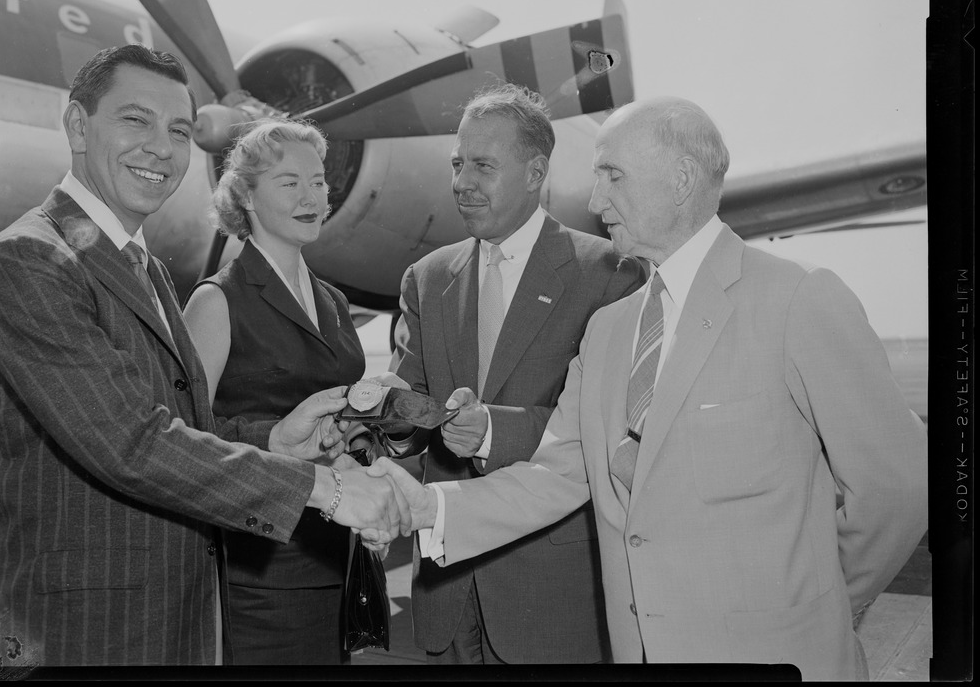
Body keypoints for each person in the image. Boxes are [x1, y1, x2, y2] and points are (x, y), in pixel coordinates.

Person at [372, 96, 929, 680]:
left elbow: (897, 488)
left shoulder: (799, 300)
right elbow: (559, 472)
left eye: (612, 175)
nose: (593, 201)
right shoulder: (610, 330)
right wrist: (424, 506)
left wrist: (817, 600)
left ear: (681, 179)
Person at [0, 45, 402, 668]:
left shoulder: (142, 266)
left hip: (173, 618)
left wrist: (278, 440)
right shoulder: (30, 260)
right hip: (80, 629)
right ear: (75, 125)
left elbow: (182, 428)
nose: (161, 147)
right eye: (135, 120)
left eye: (179, 129)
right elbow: (129, 441)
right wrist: (325, 489)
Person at [388, 83, 644, 664]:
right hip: (446, 589)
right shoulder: (426, 277)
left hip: (551, 594)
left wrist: (493, 432)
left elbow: (612, 434)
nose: (462, 183)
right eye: (457, 164)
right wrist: (376, 418)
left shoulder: (610, 274)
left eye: (482, 165)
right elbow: (410, 415)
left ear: (535, 173)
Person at [183, 118, 391, 665]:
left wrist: (372, 438)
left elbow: (341, 426)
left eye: (319, 181)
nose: (312, 197)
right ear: (246, 196)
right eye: (289, 182)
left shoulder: (334, 302)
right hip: (259, 572)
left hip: (335, 557)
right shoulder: (217, 302)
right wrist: (274, 437)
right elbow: (181, 437)